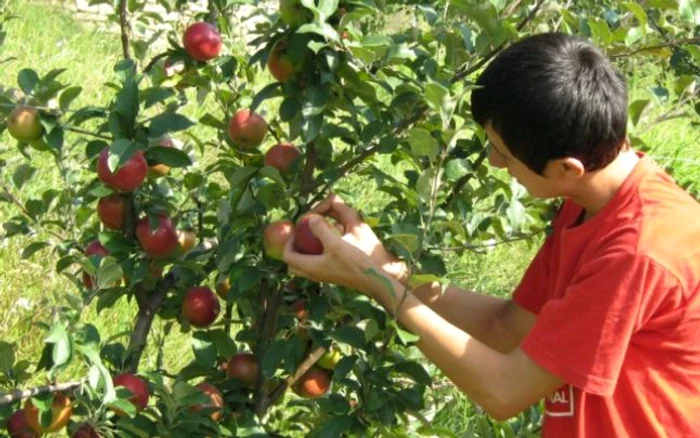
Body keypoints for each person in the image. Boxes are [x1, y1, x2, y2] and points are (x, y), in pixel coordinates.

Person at [282, 32, 700, 437]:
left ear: (567, 167)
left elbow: (505, 391)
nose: (495, 162)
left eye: (504, 153)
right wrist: (385, 267)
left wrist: (372, 284)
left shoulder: (642, 249)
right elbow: (509, 328)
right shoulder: (589, 203)